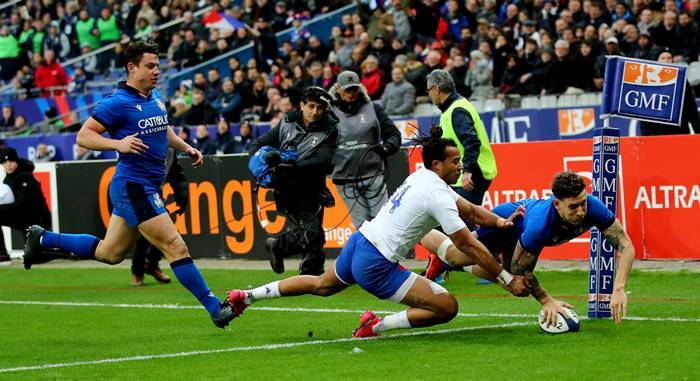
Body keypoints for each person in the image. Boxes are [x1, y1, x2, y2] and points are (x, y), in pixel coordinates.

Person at [225, 128, 531, 337]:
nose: (460, 166)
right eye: (455, 162)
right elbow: (467, 243)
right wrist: (506, 280)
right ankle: (375, 326)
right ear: (437, 165)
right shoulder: (436, 193)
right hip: (377, 264)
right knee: (447, 307)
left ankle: (247, 296)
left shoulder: (423, 177)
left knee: (321, 284)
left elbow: (473, 212)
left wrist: (501, 223)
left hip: (361, 243)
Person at [22, 41, 235, 329]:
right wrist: (117, 144)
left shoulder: (155, 95)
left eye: (158, 65)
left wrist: (187, 147)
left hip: (143, 186)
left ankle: (44, 238)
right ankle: (215, 308)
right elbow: (83, 137)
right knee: (175, 245)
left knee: (110, 253)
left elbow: (163, 128)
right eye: (150, 66)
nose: (157, 71)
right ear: (132, 68)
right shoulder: (117, 103)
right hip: (134, 186)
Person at [422, 170, 635, 326]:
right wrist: (546, 300)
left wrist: (618, 287)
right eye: (573, 206)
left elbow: (625, 244)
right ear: (556, 204)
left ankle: (449, 264)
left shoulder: (593, 207)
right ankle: (419, 231)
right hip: (507, 223)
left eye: (583, 203)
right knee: (457, 256)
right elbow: (520, 271)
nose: (581, 211)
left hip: (522, 235)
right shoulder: (540, 227)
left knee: (507, 282)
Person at [249, 86, 338, 276]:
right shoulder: (286, 122)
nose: (315, 112)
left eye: (320, 108)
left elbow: (323, 161)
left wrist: (287, 164)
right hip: (286, 189)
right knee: (312, 233)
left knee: (313, 233)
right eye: (311, 106)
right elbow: (258, 144)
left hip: (311, 187)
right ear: (302, 105)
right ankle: (306, 267)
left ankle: (304, 266)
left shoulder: (330, 128)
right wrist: (258, 163)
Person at [330, 71, 402, 229]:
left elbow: (393, 134)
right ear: (338, 89)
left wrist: (386, 148)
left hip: (373, 174)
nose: (352, 93)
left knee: (383, 222)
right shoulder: (328, 113)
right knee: (362, 225)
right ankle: (370, 254)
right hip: (344, 179)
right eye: (348, 89)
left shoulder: (373, 108)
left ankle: (384, 254)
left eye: (354, 89)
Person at [426, 69, 497, 223]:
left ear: (436, 89)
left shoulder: (456, 109)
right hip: (466, 173)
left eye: (429, 90)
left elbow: (471, 141)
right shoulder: (451, 108)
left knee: (463, 225)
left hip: (473, 173)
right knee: (459, 224)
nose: (429, 94)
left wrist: (468, 171)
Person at [131, 148, 187, 286]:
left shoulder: (170, 151)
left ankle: (150, 265)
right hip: (137, 193)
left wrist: (182, 197)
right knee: (143, 236)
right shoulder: (144, 142)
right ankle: (139, 271)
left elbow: (176, 175)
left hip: (155, 194)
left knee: (164, 233)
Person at [0, 148, 52, 265]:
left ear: (17, 161)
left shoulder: (25, 176)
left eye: (11, 161)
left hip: (36, 218)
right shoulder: (7, 179)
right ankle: (2, 254)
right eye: (5, 162)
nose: (8, 165)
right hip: (21, 216)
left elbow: (22, 204)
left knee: (35, 258)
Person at [639, 51, 700, 135]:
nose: (666, 60)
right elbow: (644, 112)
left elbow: (691, 110)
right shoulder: (649, 84)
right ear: (657, 61)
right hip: (657, 133)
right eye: (663, 58)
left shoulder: (682, 81)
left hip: (680, 132)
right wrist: (645, 135)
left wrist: (698, 132)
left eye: (669, 58)